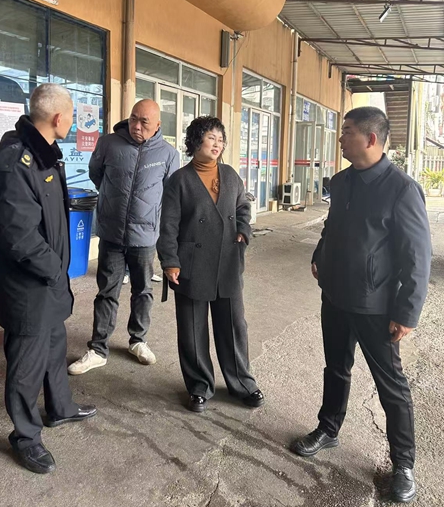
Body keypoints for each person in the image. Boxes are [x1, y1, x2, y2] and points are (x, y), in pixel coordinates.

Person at [290, 107, 431, 503]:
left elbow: (417, 256)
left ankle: (403, 463)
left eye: (347, 131)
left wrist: (407, 312)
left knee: (391, 385)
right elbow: (332, 225)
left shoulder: (401, 189)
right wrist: (319, 254)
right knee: (336, 368)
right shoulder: (341, 181)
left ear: (370, 139)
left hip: (376, 305)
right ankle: (328, 428)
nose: (340, 138)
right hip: (335, 296)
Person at [0, 84, 96, 474]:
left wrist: (56, 273)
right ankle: (25, 436)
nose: (73, 122)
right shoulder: (17, 160)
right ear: (57, 118)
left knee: (54, 346)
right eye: (72, 115)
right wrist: (54, 269)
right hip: (30, 286)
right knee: (26, 364)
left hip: (48, 282)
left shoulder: (44, 154)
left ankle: (60, 408)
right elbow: (19, 236)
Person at [157, 116, 264, 413]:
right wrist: (170, 261)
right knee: (192, 330)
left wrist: (243, 229)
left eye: (221, 139)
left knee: (234, 325)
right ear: (196, 141)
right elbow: (168, 225)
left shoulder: (230, 175)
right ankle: (199, 386)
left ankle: (242, 383)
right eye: (211, 138)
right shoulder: (179, 180)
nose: (217, 144)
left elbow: (243, 207)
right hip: (192, 262)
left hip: (228, 260)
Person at [68, 99, 179, 374]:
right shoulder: (108, 144)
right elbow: (96, 174)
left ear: (157, 125)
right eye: (133, 119)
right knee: (107, 291)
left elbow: (170, 193)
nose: (136, 126)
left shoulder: (168, 154)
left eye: (144, 122)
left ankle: (138, 340)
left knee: (143, 290)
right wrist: (112, 201)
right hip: (112, 232)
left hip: (145, 236)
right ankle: (98, 349)